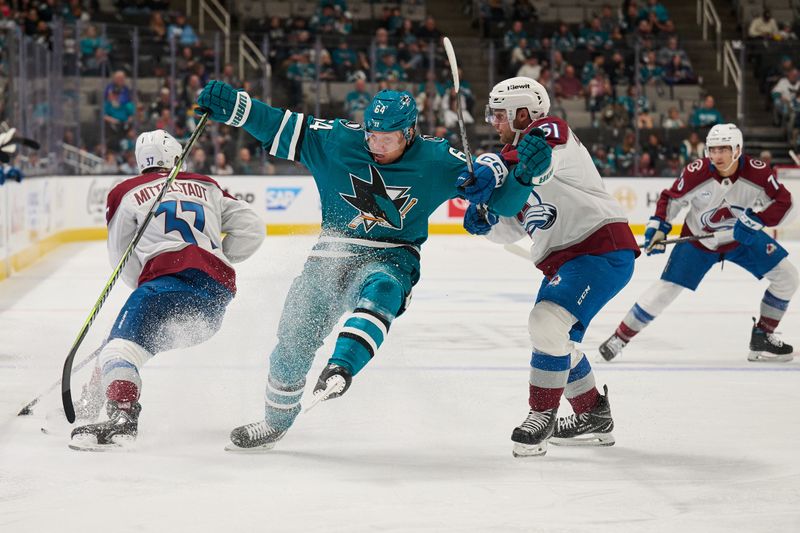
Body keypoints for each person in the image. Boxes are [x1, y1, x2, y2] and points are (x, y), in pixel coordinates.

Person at [195, 81, 549, 451]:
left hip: (393, 255)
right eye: (372, 135)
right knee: (293, 337)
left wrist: (522, 176)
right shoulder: (336, 141)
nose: (377, 145)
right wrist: (239, 106)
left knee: (381, 288)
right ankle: (275, 422)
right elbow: (277, 123)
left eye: (388, 138)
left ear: (410, 132)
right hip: (330, 255)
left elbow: (505, 204)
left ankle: (341, 366)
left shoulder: (439, 160)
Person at [465, 77, 640, 457]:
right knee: (558, 339)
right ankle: (592, 412)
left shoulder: (549, 131)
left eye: (498, 114)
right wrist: (487, 220)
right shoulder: (517, 168)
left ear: (522, 113)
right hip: (566, 260)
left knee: (546, 323)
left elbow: (538, 153)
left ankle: (541, 414)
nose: (492, 122)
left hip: (598, 248)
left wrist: (492, 167)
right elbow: (511, 225)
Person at [69, 130, 265, 451]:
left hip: (166, 289)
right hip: (212, 303)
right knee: (122, 343)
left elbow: (121, 256)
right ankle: (92, 401)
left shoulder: (126, 191)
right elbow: (252, 228)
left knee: (121, 348)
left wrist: (144, 285)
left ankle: (122, 415)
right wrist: (217, 257)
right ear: (177, 158)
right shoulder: (207, 185)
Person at [599, 124, 797, 363]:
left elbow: (785, 202)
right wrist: (659, 226)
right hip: (698, 240)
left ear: (737, 149)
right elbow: (671, 199)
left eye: (724, 149)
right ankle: (620, 337)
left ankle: (763, 337)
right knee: (666, 288)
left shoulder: (758, 173)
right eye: (713, 149)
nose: (717, 156)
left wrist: (758, 220)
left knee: (787, 276)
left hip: (741, 237)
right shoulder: (697, 172)